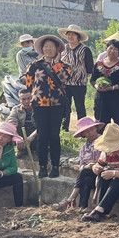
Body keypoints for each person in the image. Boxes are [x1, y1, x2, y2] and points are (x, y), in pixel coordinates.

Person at [24, 34, 72, 179]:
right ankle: (43, 166)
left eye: (51, 47)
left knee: (54, 136)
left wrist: (56, 65)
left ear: (58, 49)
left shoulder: (65, 66)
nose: (48, 49)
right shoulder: (34, 65)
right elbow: (28, 83)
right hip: (39, 104)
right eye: (46, 47)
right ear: (42, 49)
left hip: (57, 105)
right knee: (42, 135)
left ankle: (55, 166)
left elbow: (65, 78)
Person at [53, 117, 104, 210]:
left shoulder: (103, 141)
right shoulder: (84, 148)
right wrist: (87, 166)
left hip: (102, 172)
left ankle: (71, 199)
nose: (90, 133)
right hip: (89, 174)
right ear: (83, 134)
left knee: (85, 172)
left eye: (91, 129)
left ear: (96, 128)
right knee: (87, 180)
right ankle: (82, 207)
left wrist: (93, 165)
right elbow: (82, 165)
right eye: (86, 131)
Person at [58, 25, 94, 132]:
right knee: (65, 107)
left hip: (79, 84)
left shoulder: (84, 49)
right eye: (68, 34)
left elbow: (89, 67)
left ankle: (83, 130)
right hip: (65, 84)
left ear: (78, 37)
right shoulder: (63, 49)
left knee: (80, 107)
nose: (70, 36)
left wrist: (81, 75)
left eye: (73, 34)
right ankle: (64, 129)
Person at [91, 39, 119, 129]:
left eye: (116, 49)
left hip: (117, 100)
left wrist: (112, 88)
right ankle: (101, 142)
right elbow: (92, 79)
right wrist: (96, 86)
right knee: (101, 124)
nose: (112, 51)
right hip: (101, 99)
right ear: (106, 49)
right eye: (110, 48)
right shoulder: (98, 64)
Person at [96, 32, 119, 103]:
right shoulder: (102, 56)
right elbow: (96, 73)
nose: (113, 50)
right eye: (111, 47)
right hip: (103, 91)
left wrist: (116, 86)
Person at [7, 89, 37, 155]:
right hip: (22, 134)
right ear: (19, 100)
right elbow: (11, 124)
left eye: (28, 98)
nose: (26, 101)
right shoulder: (16, 109)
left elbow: (43, 125)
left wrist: (32, 137)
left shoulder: (39, 109)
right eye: (23, 99)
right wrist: (17, 138)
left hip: (35, 134)